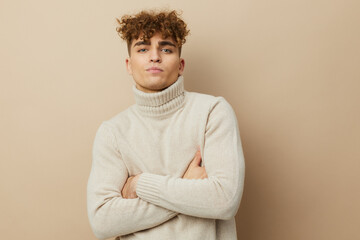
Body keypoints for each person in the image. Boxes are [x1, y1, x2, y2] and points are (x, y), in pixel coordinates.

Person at [87, 9, 245, 240]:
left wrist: (140, 185)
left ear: (181, 65)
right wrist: (186, 187)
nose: (154, 57)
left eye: (166, 48)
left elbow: (224, 200)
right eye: (143, 48)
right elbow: (102, 221)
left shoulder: (212, 112)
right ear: (129, 65)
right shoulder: (112, 132)